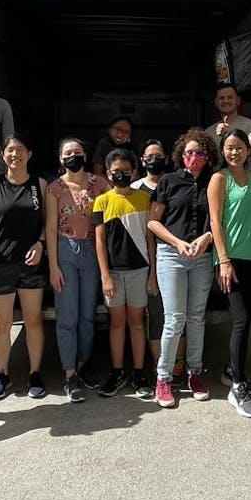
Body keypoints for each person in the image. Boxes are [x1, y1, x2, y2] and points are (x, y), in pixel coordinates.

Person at [0, 133, 49, 401]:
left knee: (33, 320)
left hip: (32, 264)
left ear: (29, 154)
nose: (14, 154)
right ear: (3, 155)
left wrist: (40, 244)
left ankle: (35, 373)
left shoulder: (40, 185)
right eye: (9, 150)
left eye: (19, 149)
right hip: (0, 263)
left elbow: (48, 225)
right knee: (0, 325)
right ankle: (2, 374)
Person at [148, 127, 217, 408]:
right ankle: (163, 378)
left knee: (196, 317)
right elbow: (153, 222)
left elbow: (219, 219)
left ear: (207, 155)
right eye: (188, 153)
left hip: (202, 257)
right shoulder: (168, 181)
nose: (193, 157)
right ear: (180, 155)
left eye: (199, 153)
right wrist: (177, 242)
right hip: (172, 256)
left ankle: (194, 374)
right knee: (174, 318)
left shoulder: (215, 182)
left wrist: (206, 237)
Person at [46, 137, 109, 402]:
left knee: (87, 315)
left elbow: (105, 223)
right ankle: (69, 373)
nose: (74, 156)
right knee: (68, 315)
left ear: (85, 154)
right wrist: (53, 266)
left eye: (78, 151)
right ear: (61, 159)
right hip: (65, 248)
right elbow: (50, 228)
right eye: (68, 153)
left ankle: (82, 364)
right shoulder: (55, 189)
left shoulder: (100, 185)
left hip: (92, 250)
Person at [209, 129, 251, 418]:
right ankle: (238, 386)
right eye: (229, 147)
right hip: (230, 261)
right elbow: (215, 222)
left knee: (248, 319)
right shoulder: (220, 179)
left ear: (247, 150)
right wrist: (223, 260)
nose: (234, 152)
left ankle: (232, 371)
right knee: (241, 321)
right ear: (222, 150)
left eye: (239, 147)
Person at [92, 149, 155, 398]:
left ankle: (139, 372)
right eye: (116, 172)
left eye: (126, 172)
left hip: (139, 270)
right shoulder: (101, 201)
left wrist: (152, 272)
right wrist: (104, 275)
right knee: (116, 323)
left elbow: (150, 238)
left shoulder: (144, 199)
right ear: (108, 173)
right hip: (114, 273)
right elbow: (99, 241)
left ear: (134, 172)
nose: (121, 175)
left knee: (137, 322)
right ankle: (118, 371)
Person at [132, 140, 187, 382]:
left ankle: (178, 364)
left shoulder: (175, 183)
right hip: (143, 262)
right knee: (156, 315)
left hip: (171, 257)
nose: (154, 159)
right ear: (142, 160)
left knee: (177, 315)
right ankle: (159, 366)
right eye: (149, 156)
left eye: (159, 155)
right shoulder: (134, 188)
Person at [205, 83, 251, 161]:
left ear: (238, 101)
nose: (225, 101)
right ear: (216, 103)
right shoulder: (209, 131)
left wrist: (229, 135)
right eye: (221, 98)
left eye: (230, 97)